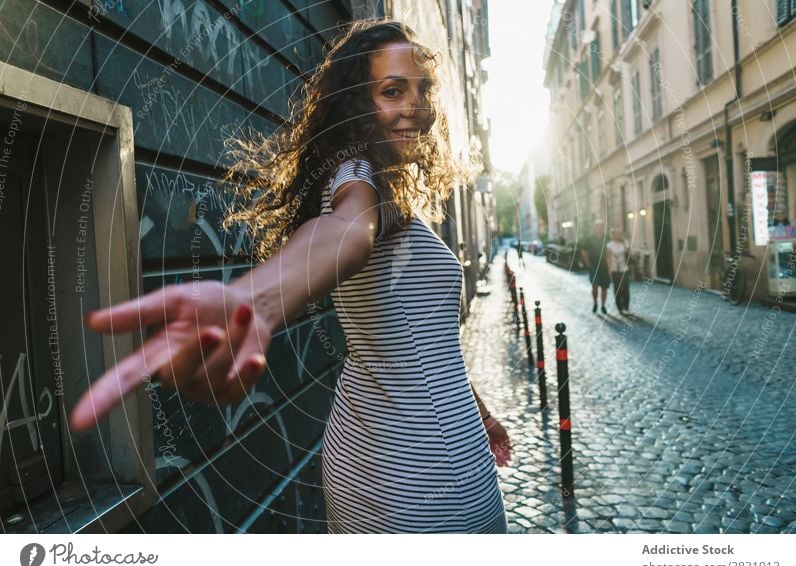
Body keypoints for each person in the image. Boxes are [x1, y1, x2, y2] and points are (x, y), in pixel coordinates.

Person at [69, 20, 510, 534]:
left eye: (422, 88)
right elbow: (346, 232)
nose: (416, 106)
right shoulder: (361, 181)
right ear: (358, 105)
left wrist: (476, 410)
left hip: (427, 445)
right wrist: (254, 300)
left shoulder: (393, 188)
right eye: (393, 91)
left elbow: (427, 343)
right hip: (415, 471)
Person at [579, 219, 610, 314]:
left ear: (603, 227)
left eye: (601, 226)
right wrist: (588, 263)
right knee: (595, 286)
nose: (599, 228)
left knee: (604, 287)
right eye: (598, 226)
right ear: (594, 228)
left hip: (605, 266)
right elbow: (583, 252)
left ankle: (603, 306)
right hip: (593, 265)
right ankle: (595, 303)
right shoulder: (589, 239)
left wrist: (610, 267)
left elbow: (611, 252)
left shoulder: (607, 238)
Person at [606, 228, 631, 316]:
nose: (619, 235)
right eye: (616, 234)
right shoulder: (609, 245)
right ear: (612, 235)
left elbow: (628, 253)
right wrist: (609, 269)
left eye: (620, 233)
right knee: (617, 288)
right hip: (614, 269)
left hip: (624, 268)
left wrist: (624, 243)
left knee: (626, 288)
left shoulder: (625, 243)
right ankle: (619, 307)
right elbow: (608, 258)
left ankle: (626, 307)